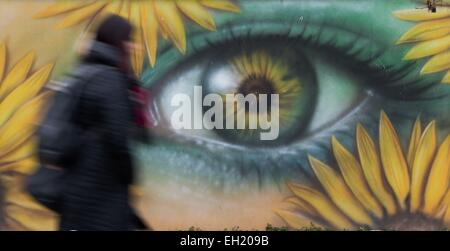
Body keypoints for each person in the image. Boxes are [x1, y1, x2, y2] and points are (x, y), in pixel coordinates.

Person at [58, 14, 140, 231]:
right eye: (129, 40)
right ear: (118, 41)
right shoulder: (109, 80)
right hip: (102, 189)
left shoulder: (83, 72)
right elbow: (118, 139)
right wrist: (129, 175)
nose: (133, 46)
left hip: (78, 185)